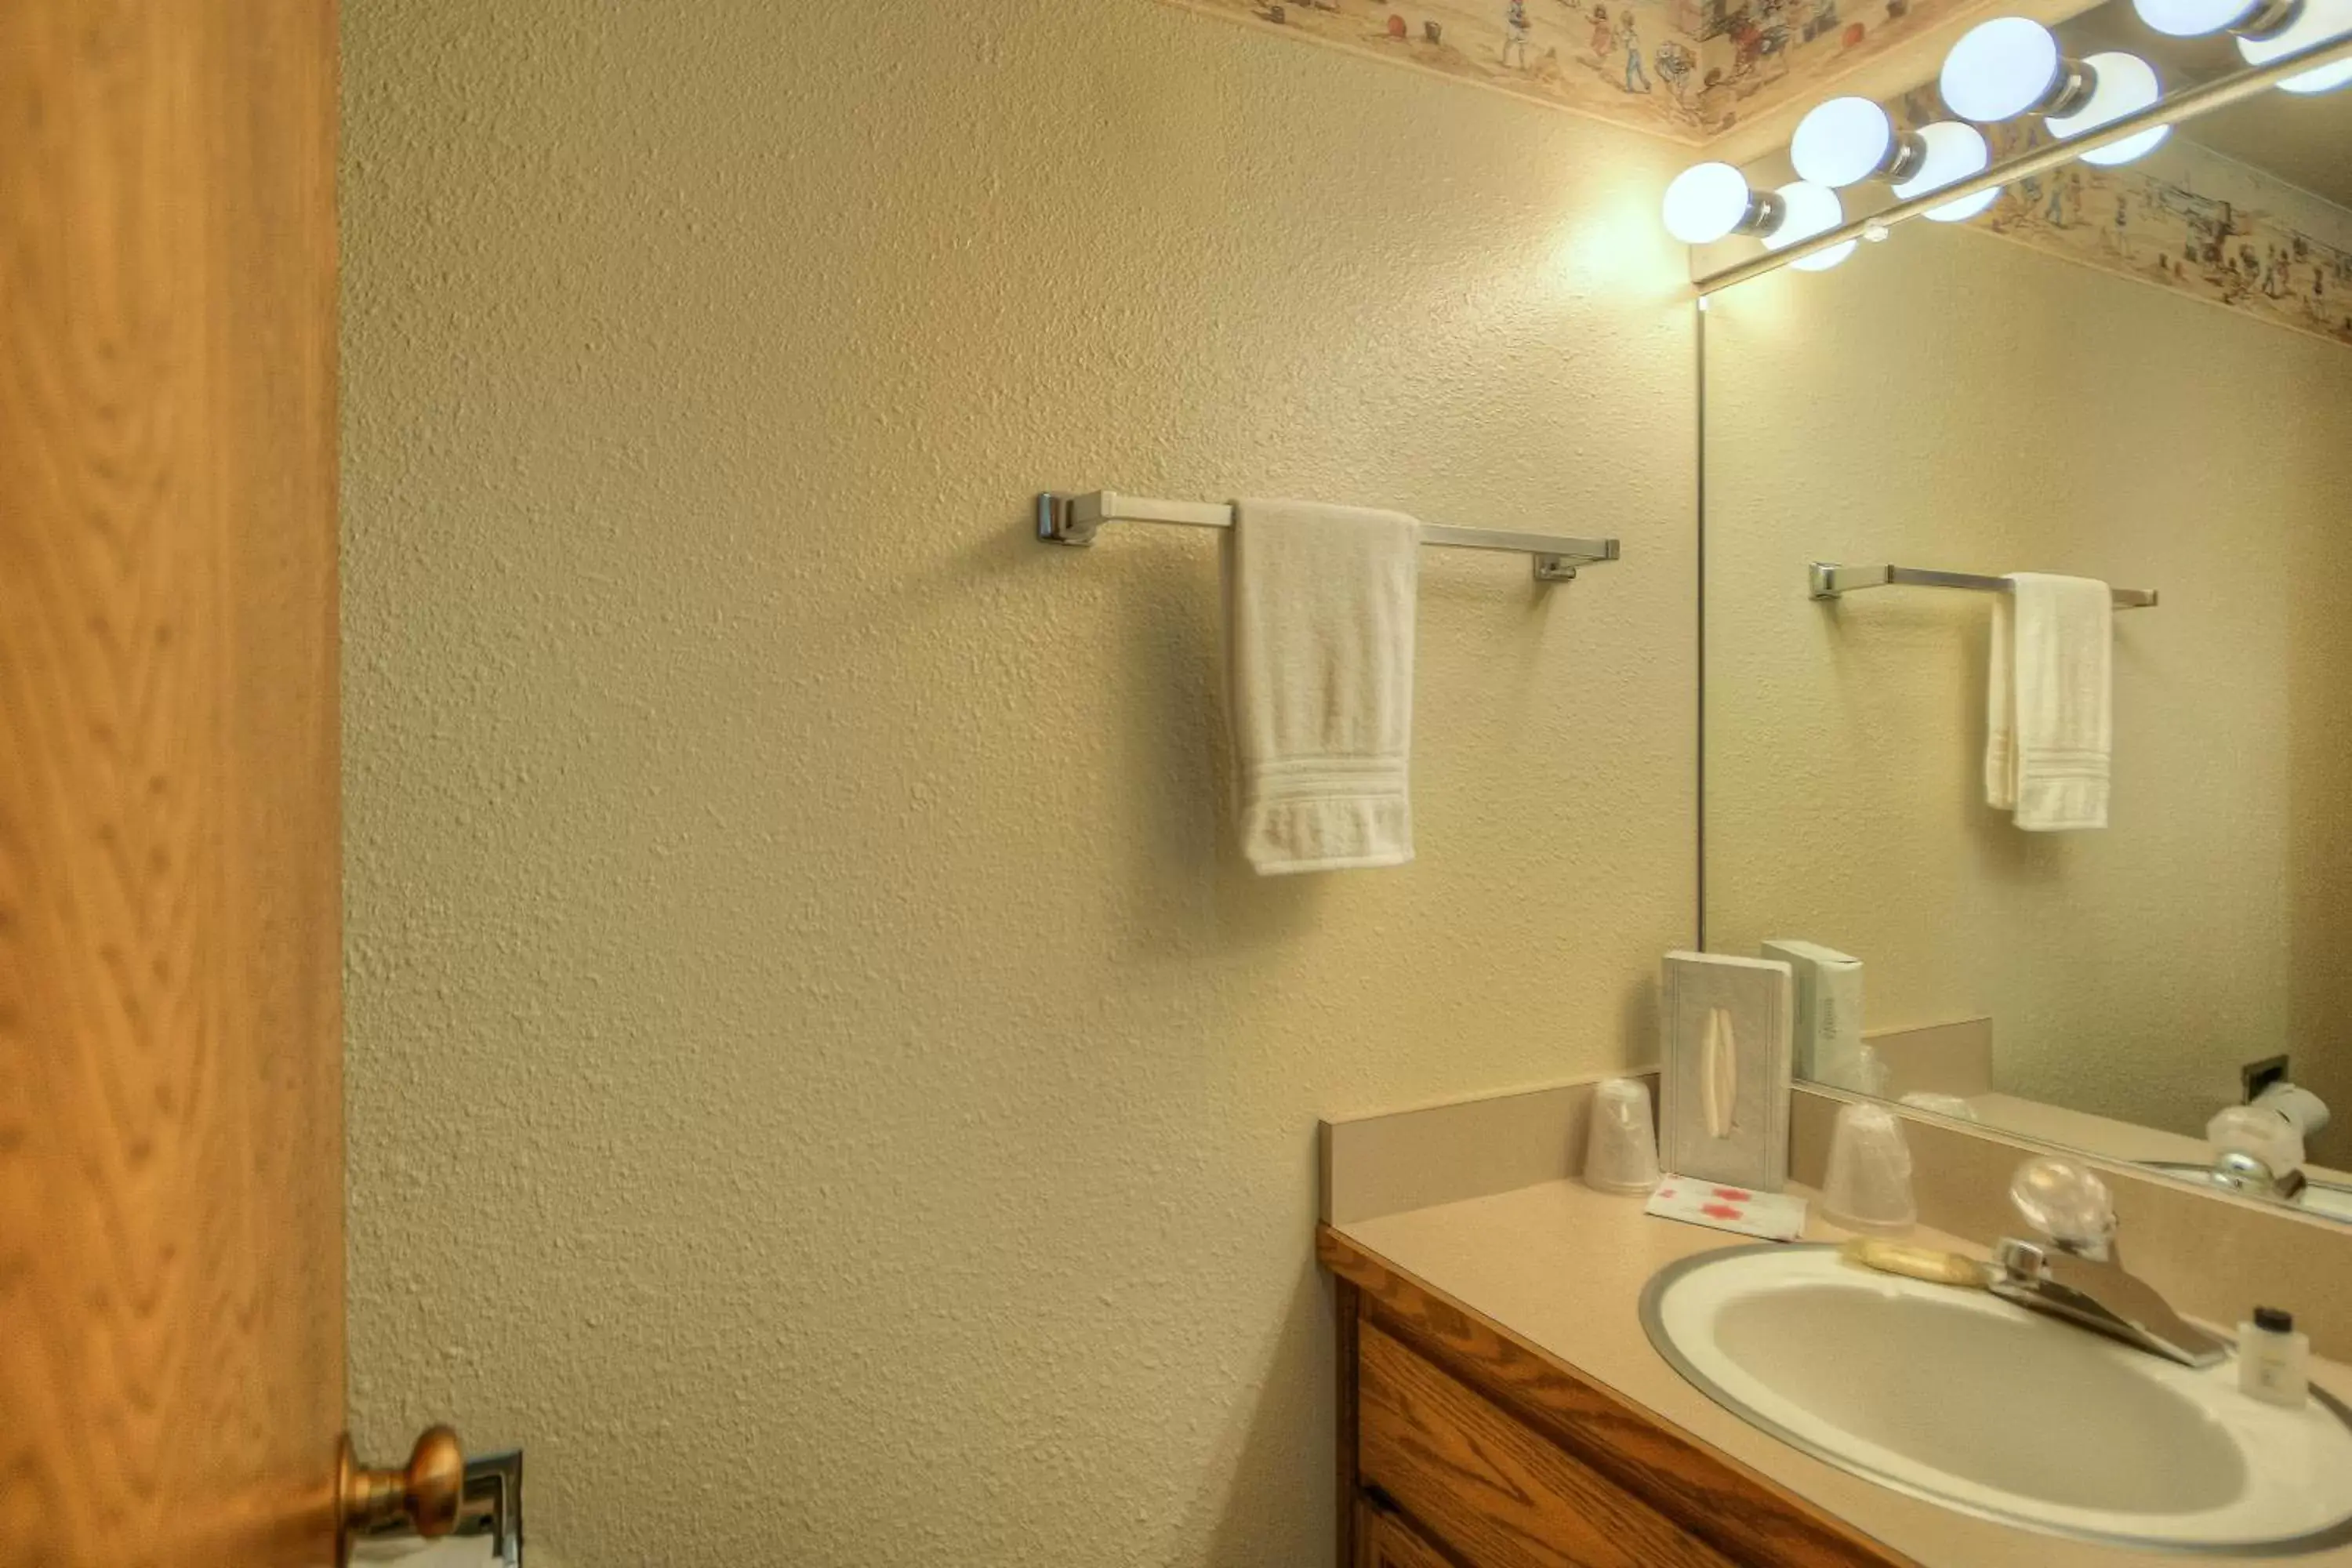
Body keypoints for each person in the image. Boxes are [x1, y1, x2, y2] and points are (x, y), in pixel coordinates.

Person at [1619, 12, 1651, 89]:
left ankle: (1630, 87)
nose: (1623, 25)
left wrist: (1618, 35)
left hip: (1633, 54)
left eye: (1624, 23)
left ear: (1627, 23)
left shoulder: (1629, 33)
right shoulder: (1632, 32)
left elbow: (1624, 39)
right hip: (1636, 54)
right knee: (1639, 71)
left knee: (1629, 71)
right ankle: (1646, 84)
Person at [1503, 0, 1532, 67]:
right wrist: (1520, 20)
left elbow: (1525, 15)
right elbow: (1509, 16)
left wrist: (1526, 21)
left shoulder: (1522, 5)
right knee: (1509, 44)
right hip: (1513, 26)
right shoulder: (1511, 5)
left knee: (1523, 47)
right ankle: (1505, 61)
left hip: (1521, 28)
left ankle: (1522, 64)